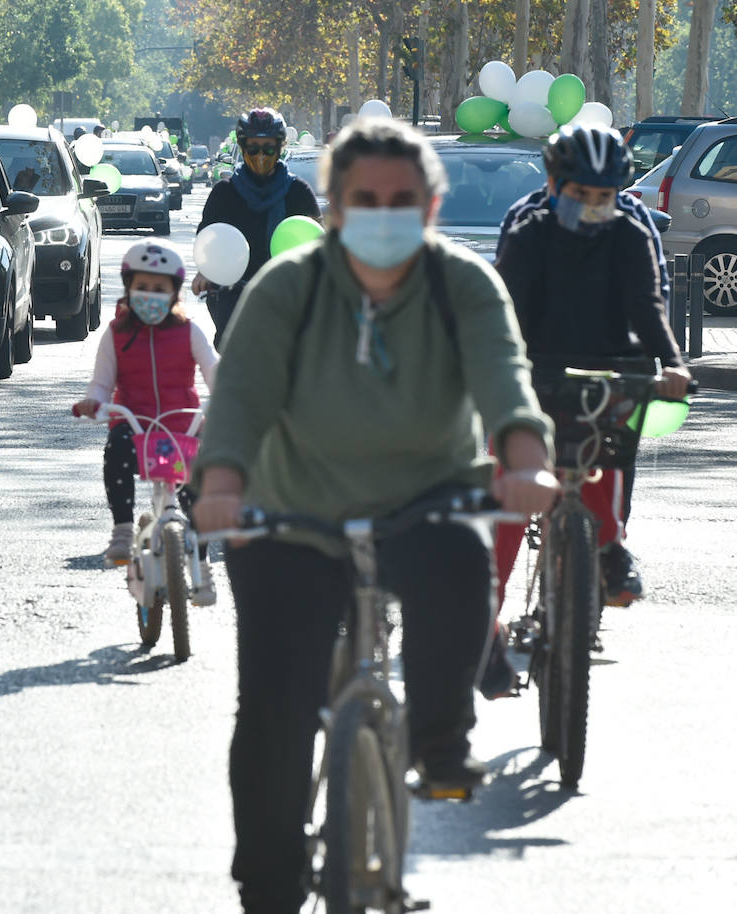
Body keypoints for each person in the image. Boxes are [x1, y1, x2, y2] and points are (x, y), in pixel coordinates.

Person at [190, 118, 560, 914]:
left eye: (403, 200)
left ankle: (440, 740)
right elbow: (243, 395)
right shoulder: (286, 287)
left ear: (430, 208)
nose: (384, 214)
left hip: (427, 499)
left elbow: (504, 377)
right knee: (274, 713)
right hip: (291, 512)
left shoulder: (465, 283)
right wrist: (219, 484)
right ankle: (269, 882)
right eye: (365, 200)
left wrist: (525, 460)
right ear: (332, 207)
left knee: (460, 564)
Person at [494, 124, 690, 611]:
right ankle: (485, 627)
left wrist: (672, 363)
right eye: (579, 193)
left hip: (609, 362)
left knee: (607, 454)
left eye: (604, 196)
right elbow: (504, 313)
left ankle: (610, 550)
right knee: (513, 491)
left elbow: (647, 305)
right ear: (553, 182)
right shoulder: (527, 227)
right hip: (535, 365)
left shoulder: (629, 229)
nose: (592, 204)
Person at [71, 239, 219, 597]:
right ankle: (122, 529)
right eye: (142, 288)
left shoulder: (189, 331)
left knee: (196, 496)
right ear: (128, 288)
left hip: (180, 428)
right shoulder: (116, 334)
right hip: (134, 428)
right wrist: (94, 402)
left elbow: (215, 371)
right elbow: (102, 382)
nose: (150, 296)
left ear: (174, 293)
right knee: (116, 448)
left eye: (159, 289)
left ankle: (201, 566)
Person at [193, 107, 322, 344]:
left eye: (269, 147)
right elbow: (208, 239)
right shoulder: (224, 193)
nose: (261, 155)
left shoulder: (299, 192)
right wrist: (204, 271)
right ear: (242, 148)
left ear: (280, 148)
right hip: (233, 296)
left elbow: (317, 247)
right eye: (253, 147)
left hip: (287, 297)